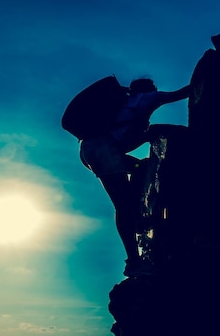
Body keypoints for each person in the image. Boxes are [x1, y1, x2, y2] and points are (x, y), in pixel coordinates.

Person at [79, 77, 190, 277]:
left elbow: (125, 135)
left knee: (141, 167)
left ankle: (137, 218)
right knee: (122, 205)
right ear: (149, 88)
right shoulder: (147, 99)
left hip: (91, 149)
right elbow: (180, 94)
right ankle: (134, 261)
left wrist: (146, 134)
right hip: (105, 150)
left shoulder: (126, 104)